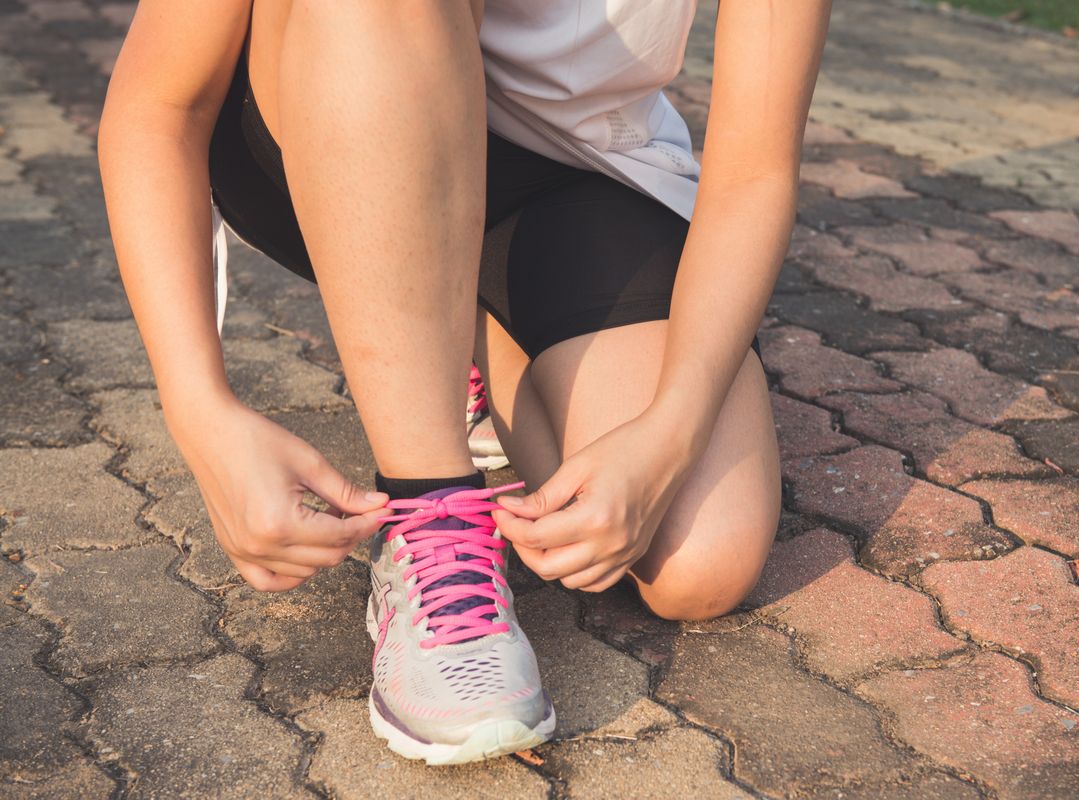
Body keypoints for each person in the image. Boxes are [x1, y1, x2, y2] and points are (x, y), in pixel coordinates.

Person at [97, 0, 831, 765]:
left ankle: (453, 335)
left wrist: (670, 432)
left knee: (697, 562)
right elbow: (157, 106)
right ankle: (431, 514)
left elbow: (754, 169)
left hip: (575, 168)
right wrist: (199, 408)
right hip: (334, 96)